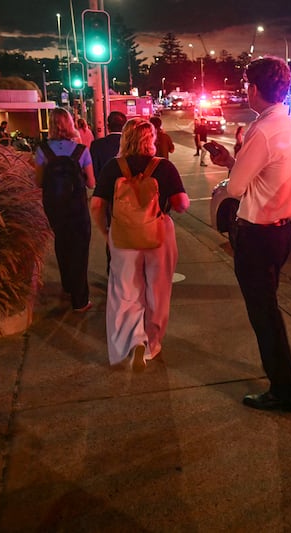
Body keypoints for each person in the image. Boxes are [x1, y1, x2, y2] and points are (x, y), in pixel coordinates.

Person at [205, 56, 291, 412]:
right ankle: (286, 374)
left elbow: (235, 189)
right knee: (269, 308)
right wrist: (234, 162)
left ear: (255, 88)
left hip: (258, 235)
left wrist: (234, 168)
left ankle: (283, 387)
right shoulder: (288, 126)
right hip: (281, 232)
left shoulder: (261, 130)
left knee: (263, 314)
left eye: (248, 84)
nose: (246, 89)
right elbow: (262, 175)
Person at [89, 118, 190, 370]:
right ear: (151, 139)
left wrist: (106, 232)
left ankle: (134, 341)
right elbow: (182, 204)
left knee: (126, 291)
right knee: (157, 292)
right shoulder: (164, 167)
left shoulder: (113, 167)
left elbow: (96, 205)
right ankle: (152, 343)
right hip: (158, 235)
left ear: (125, 138)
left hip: (123, 236)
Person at [34, 107, 96, 312]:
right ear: (70, 123)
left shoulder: (43, 150)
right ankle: (80, 300)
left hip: (54, 208)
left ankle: (68, 286)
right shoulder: (81, 151)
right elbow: (91, 183)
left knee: (62, 243)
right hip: (77, 207)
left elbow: (39, 182)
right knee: (80, 249)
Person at [90, 111, 128, 273]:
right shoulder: (130, 145)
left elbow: (93, 173)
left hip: (107, 197)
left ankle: (112, 268)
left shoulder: (97, 145)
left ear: (107, 126)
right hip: (129, 197)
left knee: (111, 233)